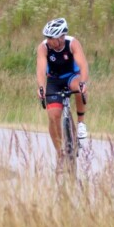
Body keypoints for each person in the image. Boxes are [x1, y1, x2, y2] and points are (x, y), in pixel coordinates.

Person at [36, 17, 89, 155]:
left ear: (60, 37)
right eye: (47, 37)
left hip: (71, 76)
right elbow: (41, 70)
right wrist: (41, 87)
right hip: (54, 80)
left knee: (78, 88)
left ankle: (81, 123)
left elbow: (83, 66)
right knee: (53, 116)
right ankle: (60, 153)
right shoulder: (43, 47)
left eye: (50, 38)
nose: (47, 40)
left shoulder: (72, 43)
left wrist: (83, 82)